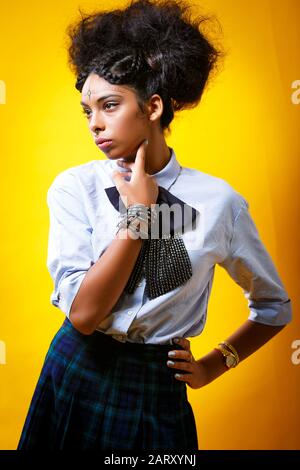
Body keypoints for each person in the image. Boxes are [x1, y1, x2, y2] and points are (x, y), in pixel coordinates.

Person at [17, 0, 292, 450]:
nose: (95, 124)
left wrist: (212, 366)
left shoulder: (219, 203)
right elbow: (84, 315)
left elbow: (273, 307)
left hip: (156, 387)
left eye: (109, 105)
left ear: (153, 106)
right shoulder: (74, 188)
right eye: (87, 110)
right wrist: (138, 218)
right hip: (76, 367)